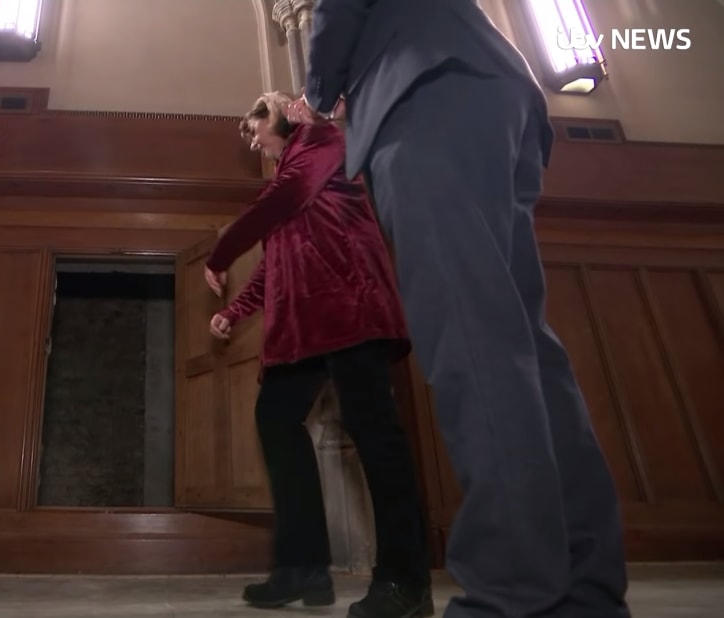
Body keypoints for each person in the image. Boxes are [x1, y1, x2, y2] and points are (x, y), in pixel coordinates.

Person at [275, 1, 631, 617]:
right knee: (524, 348)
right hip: (490, 89)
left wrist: (319, 92)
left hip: (422, 92)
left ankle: (512, 593)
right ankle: (582, 591)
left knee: (473, 344)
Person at [205, 91, 433, 618]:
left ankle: (406, 581)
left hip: (349, 307)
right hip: (300, 327)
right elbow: (276, 262)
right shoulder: (287, 177)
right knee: (276, 420)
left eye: (256, 127)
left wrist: (221, 251)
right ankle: (301, 567)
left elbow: (284, 200)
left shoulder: (323, 141)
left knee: (375, 433)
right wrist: (234, 311)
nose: (254, 140)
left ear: (279, 114)